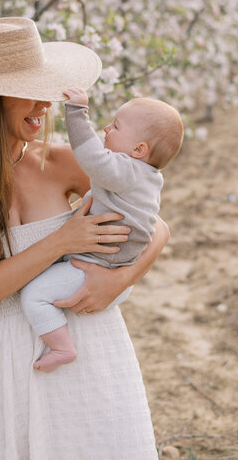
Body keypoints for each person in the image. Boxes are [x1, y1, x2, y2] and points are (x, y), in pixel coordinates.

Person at [0, 17, 170, 460]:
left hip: (90, 340)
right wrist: (61, 241)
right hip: (14, 357)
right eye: (30, 89)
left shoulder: (63, 162)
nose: (45, 104)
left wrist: (120, 280)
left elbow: (156, 226)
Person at [21, 86, 183, 372]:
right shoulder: (145, 176)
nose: (107, 128)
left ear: (139, 149)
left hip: (98, 266)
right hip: (112, 268)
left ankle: (61, 347)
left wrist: (77, 111)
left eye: (116, 126)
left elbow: (91, 156)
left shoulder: (127, 170)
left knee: (33, 295)